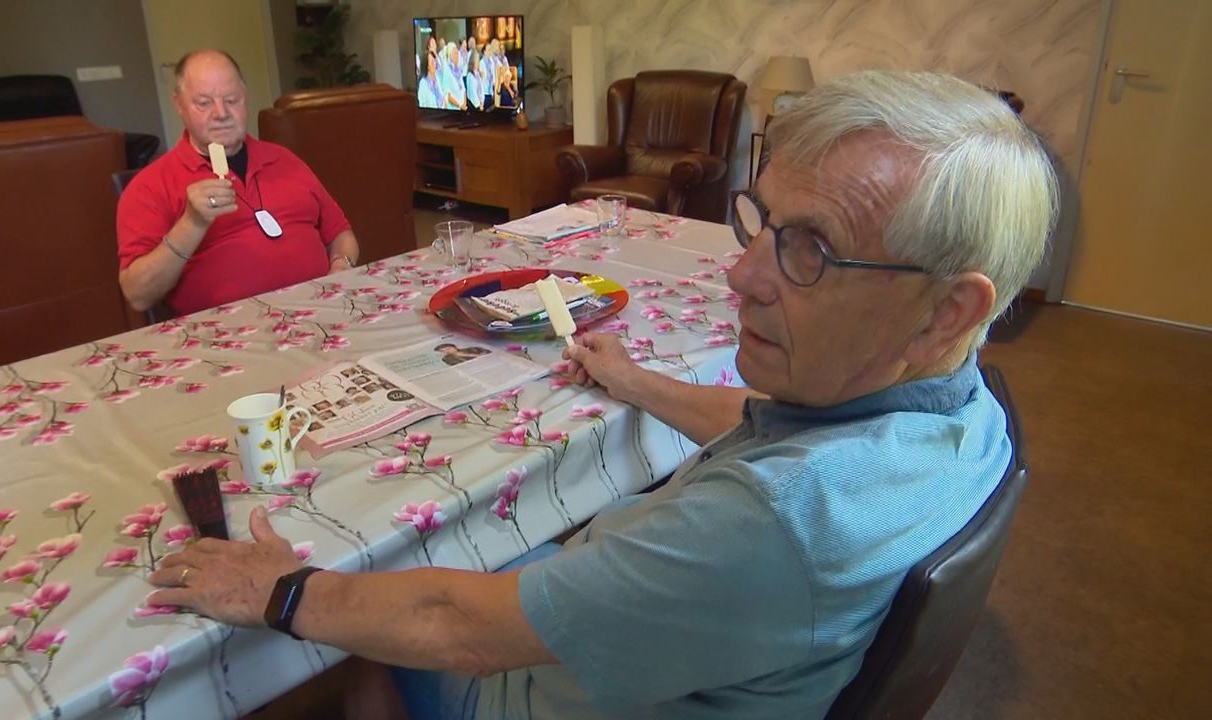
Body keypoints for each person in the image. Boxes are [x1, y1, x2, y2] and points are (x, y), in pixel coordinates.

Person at [144, 70, 1057, 719]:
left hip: (548, 690)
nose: (740, 274)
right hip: (731, 656)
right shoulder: (964, 407)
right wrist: (633, 380)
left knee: (370, 633)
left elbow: (454, 628)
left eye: (809, 249)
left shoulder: (771, 524)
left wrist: (288, 594)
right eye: (764, 221)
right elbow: (769, 425)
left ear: (947, 309)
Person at [116, 50, 359, 316]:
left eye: (231, 100)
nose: (221, 113)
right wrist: (192, 223)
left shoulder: (284, 159)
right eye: (204, 103)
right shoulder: (150, 185)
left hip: (322, 310)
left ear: (245, 99)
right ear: (179, 105)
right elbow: (138, 295)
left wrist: (341, 265)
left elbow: (341, 233)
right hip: (231, 333)